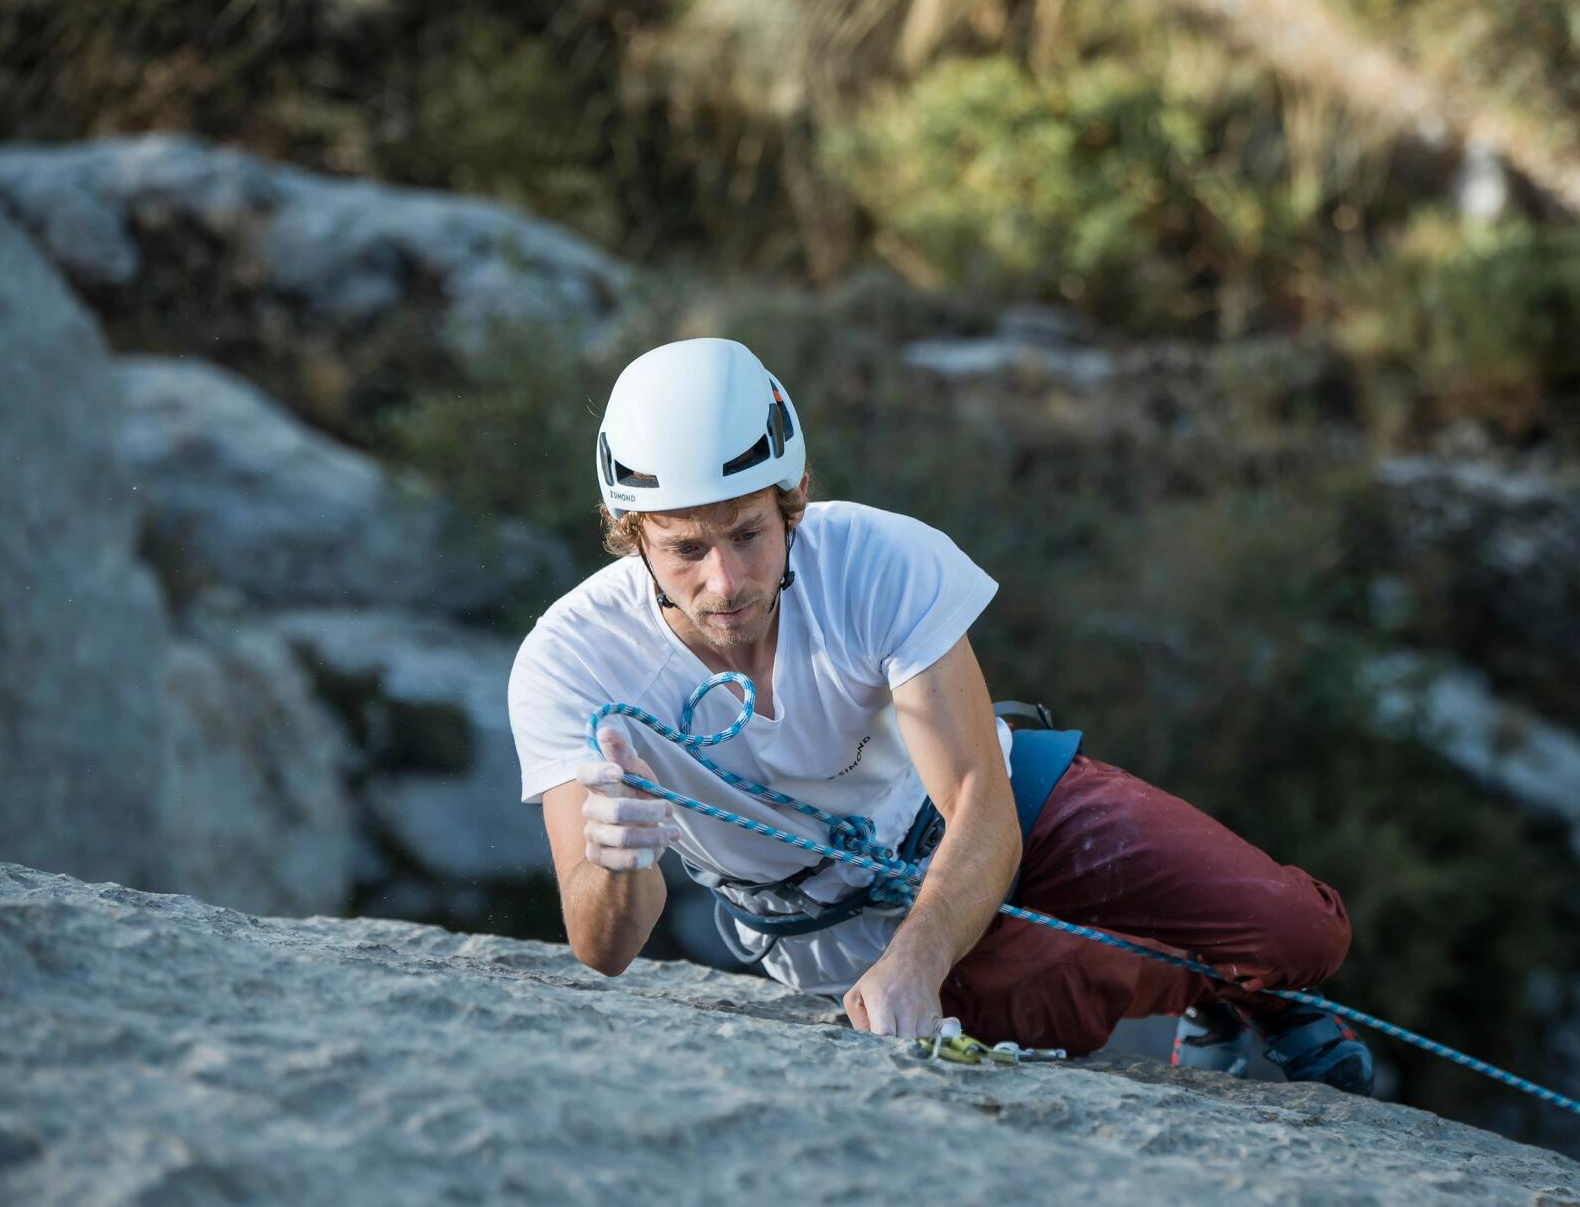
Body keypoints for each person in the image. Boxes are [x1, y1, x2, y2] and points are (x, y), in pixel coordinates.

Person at [507, 337, 1373, 1091]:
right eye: (686, 548)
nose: (726, 582)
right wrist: (618, 861)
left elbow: (978, 803)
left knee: (1302, 932)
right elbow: (603, 948)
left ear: (793, 492)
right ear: (630, 531)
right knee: (1046, 999)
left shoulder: (877, 561)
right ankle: (1213, 986)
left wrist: (918, 963)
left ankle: (1246, 984)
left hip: (1007, 807)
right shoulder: (573, 664)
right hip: (835, 928)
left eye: (747, 533)